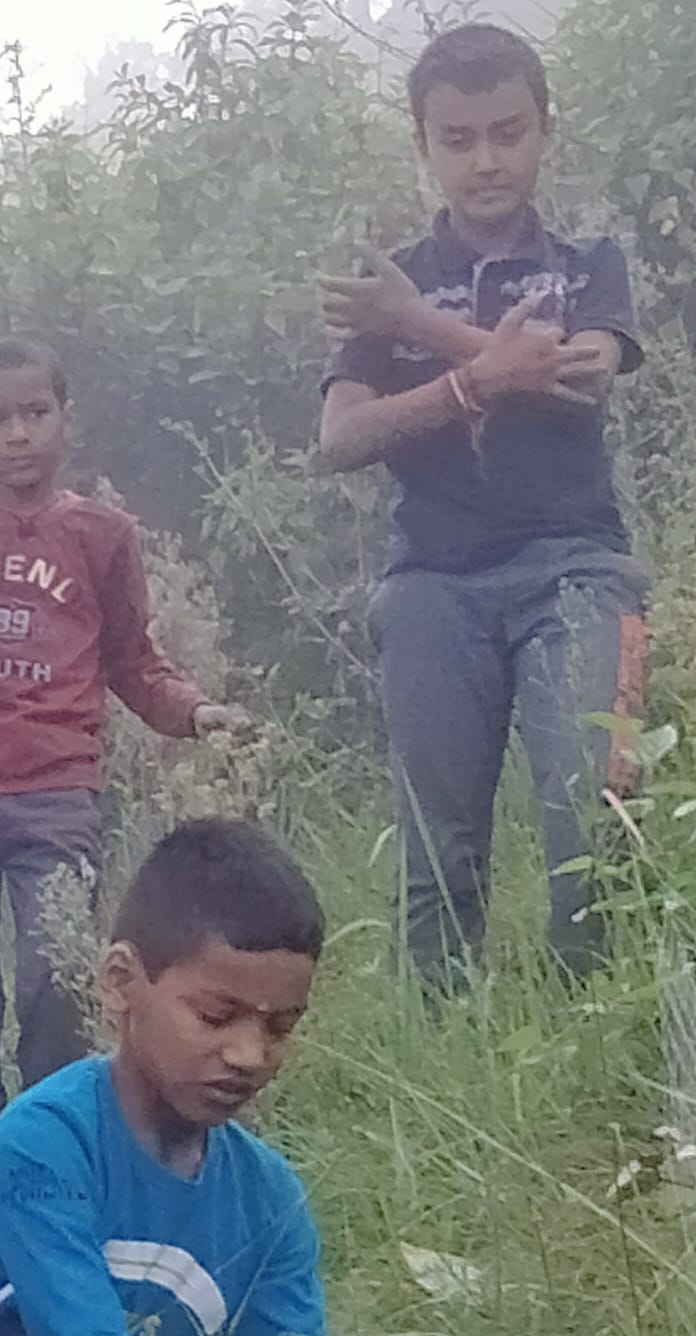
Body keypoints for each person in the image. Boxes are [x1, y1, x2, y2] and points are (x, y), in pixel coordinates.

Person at [0, 334, 248, 1210]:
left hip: (55, 794)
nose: (18, 434)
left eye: (35, 412)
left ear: (65, 418)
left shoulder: (101, 536)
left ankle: (53, 1181)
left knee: (58, 991)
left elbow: (134, 663)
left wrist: (196, 712)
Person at [318, 23, 646, 986]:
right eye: (458, 139)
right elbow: (340, 439)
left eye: (508, 132)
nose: (487, 160)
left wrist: (417, 326)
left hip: (577, 569)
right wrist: (470, 379)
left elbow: (579, 376)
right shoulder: (392, 281)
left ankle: (597, 1036)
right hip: (433, 581)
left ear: (546, 130)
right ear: (423, 144)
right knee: (437, 852)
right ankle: (446, 1037)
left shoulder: (588, 263)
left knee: (595, 823)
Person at [0, 820, 376, 1336]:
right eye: (215, 1016)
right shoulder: (45, 1145)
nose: (249, 1054)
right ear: (121, 983)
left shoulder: (269, 1203)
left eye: (281, 1027)